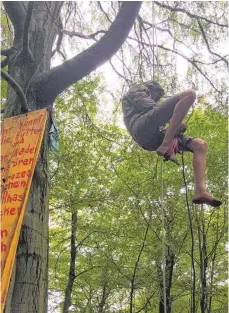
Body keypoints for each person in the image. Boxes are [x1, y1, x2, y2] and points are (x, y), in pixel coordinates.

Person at [122, 80, 222, 207]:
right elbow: (143, 102)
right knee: (189, 94)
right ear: (153, 88)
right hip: (141, 127)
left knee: (200, 145)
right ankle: (167, 141)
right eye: (157, 95)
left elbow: (156, 111)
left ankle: (200, 191)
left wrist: (174, 125)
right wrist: (173, 120)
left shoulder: (151, 106)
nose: (157, 99)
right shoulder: (137, 89)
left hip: (154, 138)